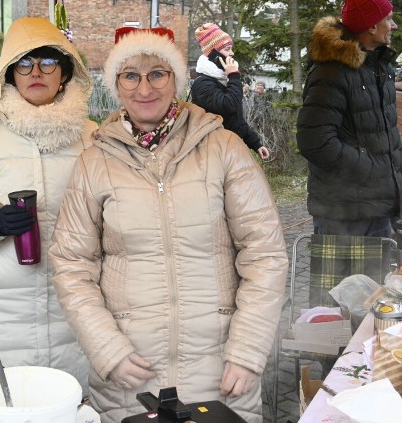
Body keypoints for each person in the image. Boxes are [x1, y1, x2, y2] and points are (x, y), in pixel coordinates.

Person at [50, 27, 287, 423]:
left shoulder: (224, 147)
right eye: (131, 75)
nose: (145, 88)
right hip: (130, 374)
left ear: (177, 79)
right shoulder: (95, 162)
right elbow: (72, 266)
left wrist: (247, 351)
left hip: (221, 372)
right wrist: (108, 349)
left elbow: (264, 254)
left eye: (157, 73)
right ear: (116, 84)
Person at [0, 17, 96, 393]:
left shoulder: (92, 136)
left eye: (47, 62)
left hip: (72, 309)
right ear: (9, 74)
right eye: (24, 63)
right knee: (6, 404)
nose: (35, 72)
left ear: (66, 71)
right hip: (0, 313)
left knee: (67, 404)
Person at [296, 0, 402, 237]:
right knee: (341, 279)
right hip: (340, 215)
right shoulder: (331, 72)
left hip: (375, 209)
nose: (394, 25)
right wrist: (374, 171)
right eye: (388, 18)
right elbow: (315, 143)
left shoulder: (379, 67)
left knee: (378, 277)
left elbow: (387, 133)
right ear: (371, 27)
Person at [189, 23, 271, 160]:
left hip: (228, 150)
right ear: (214, 54)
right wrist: (233, 76)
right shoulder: (203, 84)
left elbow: (235, 120)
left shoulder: (222, 79)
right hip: (212, 154)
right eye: (227, 49)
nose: (232, 54)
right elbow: (229, 106)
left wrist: (256, 144)